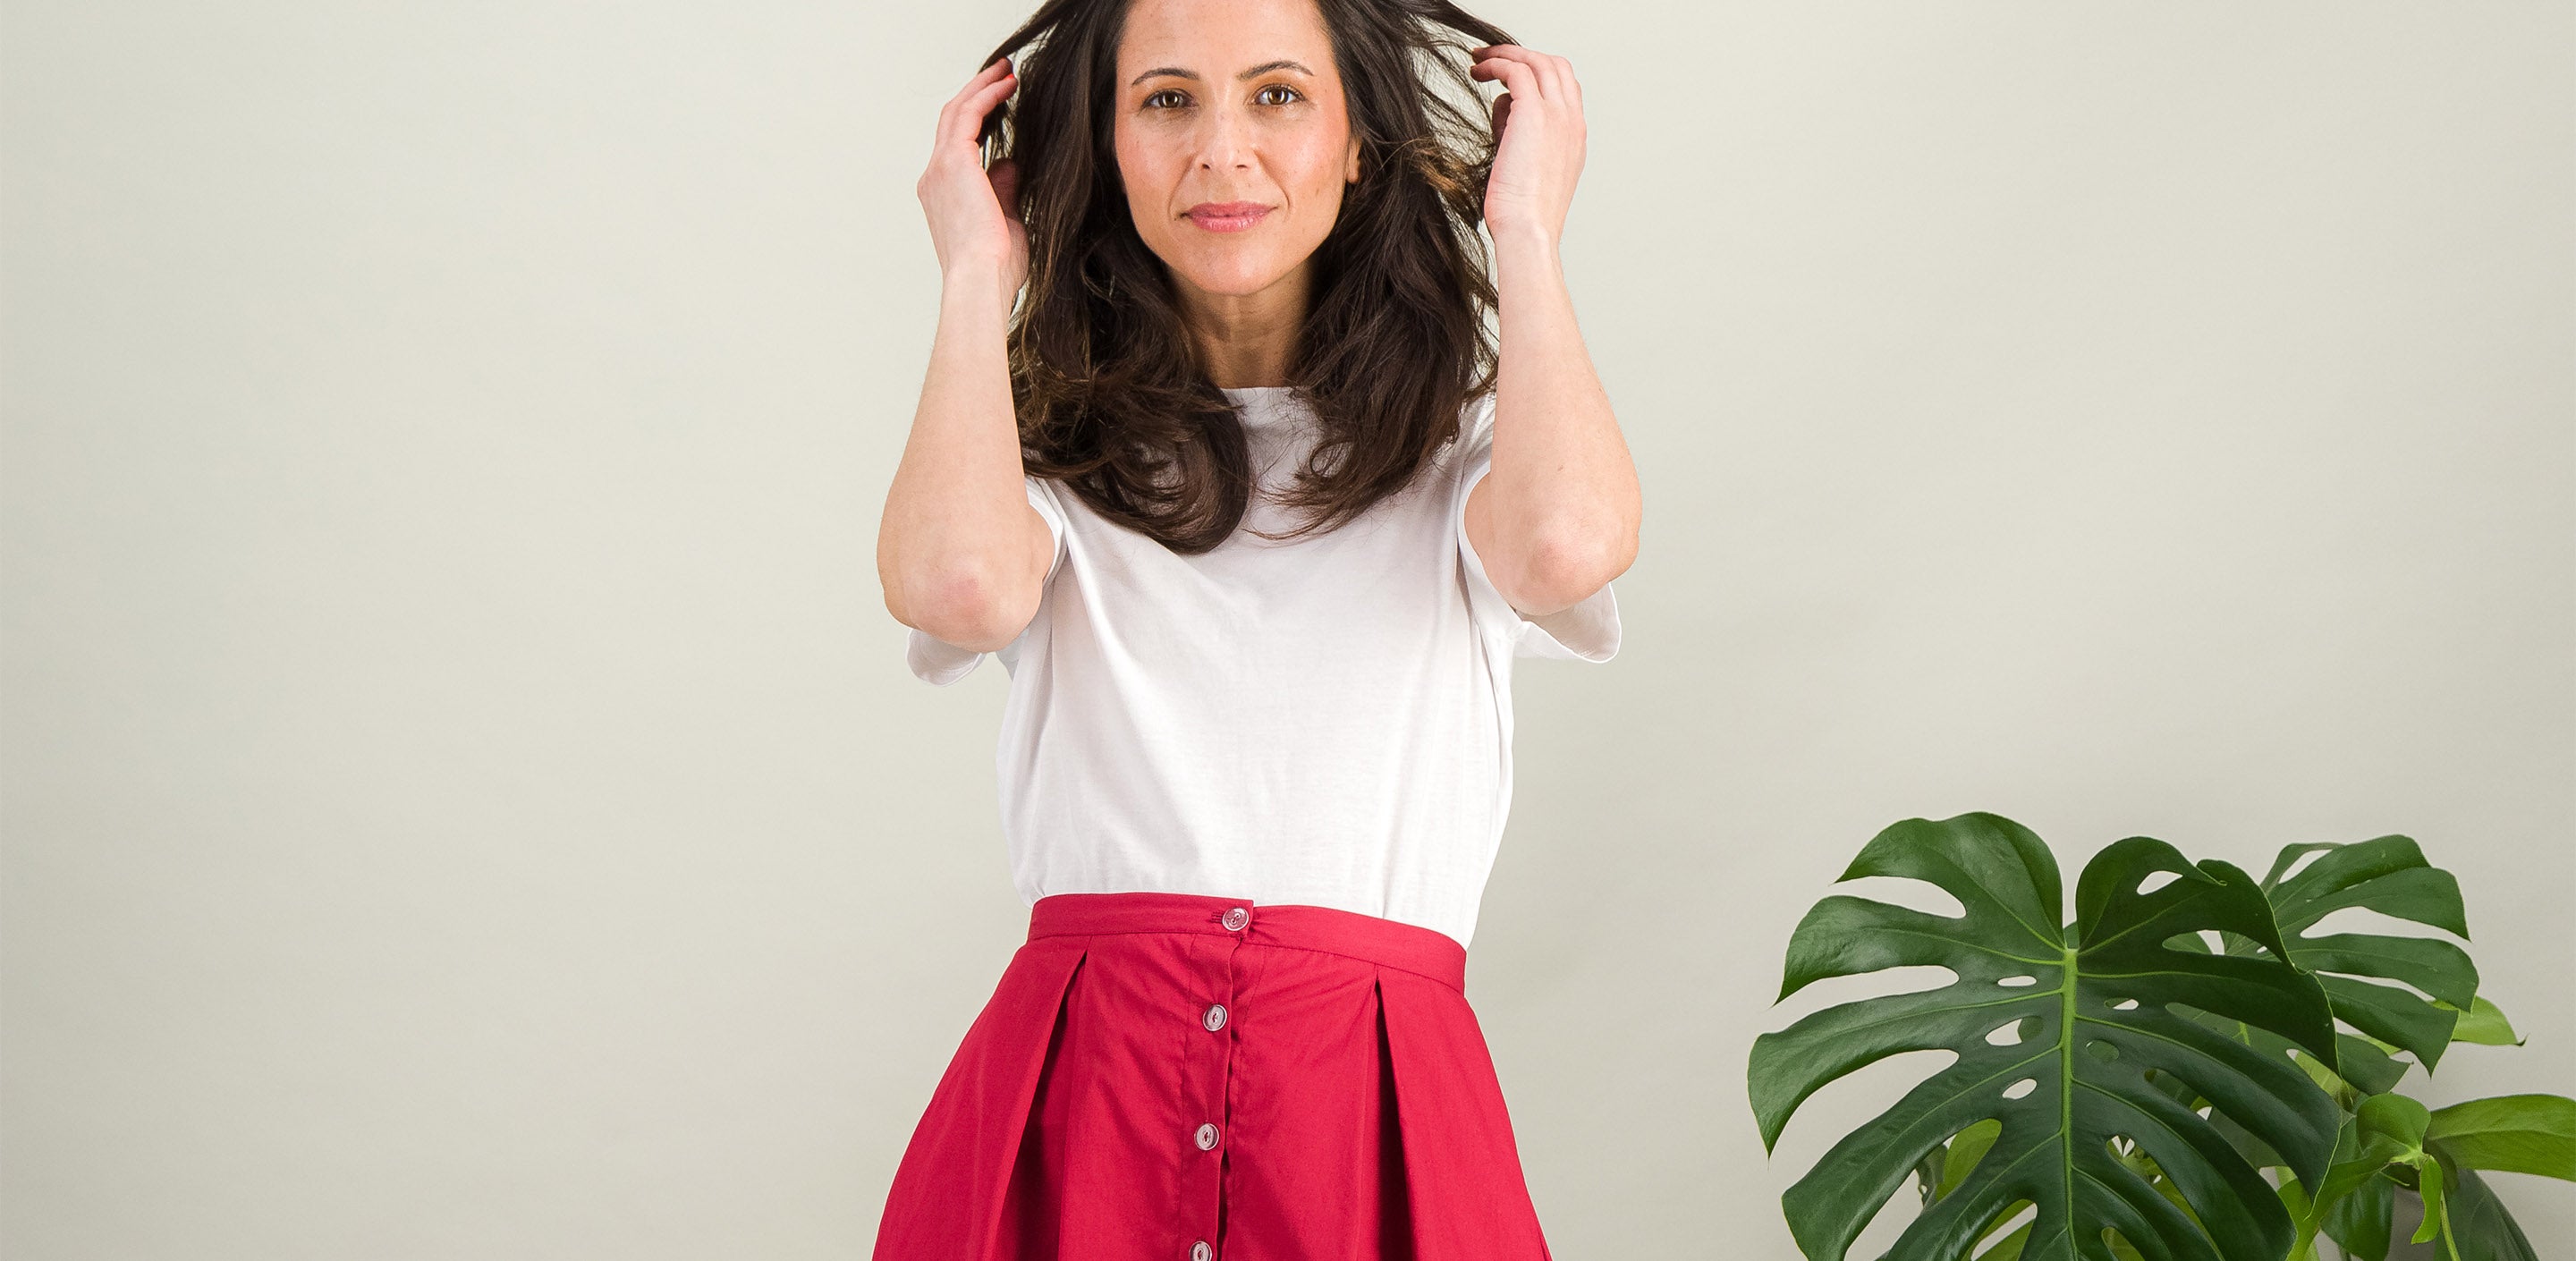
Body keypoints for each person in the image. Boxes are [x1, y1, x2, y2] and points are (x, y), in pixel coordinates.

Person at [873, 0, 1640, 1254]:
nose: (1221, 151)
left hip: (1374, 1111)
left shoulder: (1468, 460)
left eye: (1278, 96)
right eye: (1166, 100)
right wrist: (974, 271)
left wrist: (1527, 234)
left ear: (1355, 141)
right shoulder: (1045, 463)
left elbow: (1566, 544)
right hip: (1088, 1100)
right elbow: (955, 587)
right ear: (1107, 147)